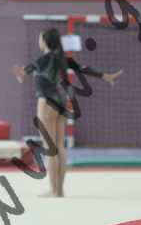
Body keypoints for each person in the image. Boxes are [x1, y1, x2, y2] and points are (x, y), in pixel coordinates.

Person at [11, 26, 122, 197]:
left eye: (40, 38)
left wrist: (20, 73)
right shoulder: (63, 59)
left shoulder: (43, 59)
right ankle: (60, 190)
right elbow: (83, 68)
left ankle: (54, 190)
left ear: (45, 41)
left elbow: (27, 70)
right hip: (61, 102)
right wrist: (105, 76)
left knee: (50, 148)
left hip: (46, 102)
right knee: (60, 147)